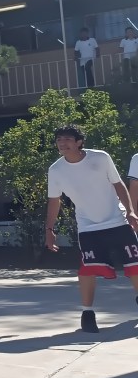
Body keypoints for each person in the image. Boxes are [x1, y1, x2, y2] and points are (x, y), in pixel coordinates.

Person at [46, 125, 138, 333]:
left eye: (68, 139)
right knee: (87, 269)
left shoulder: (100, 158)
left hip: (118, 220)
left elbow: (119, 185)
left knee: (135, 264)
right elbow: (54, 201)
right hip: (88, 226)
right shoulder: (56, 170)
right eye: (59, 139)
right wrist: (49, 229)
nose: (62, 143)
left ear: (79, 142)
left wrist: (131, 211)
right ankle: (87, 314)